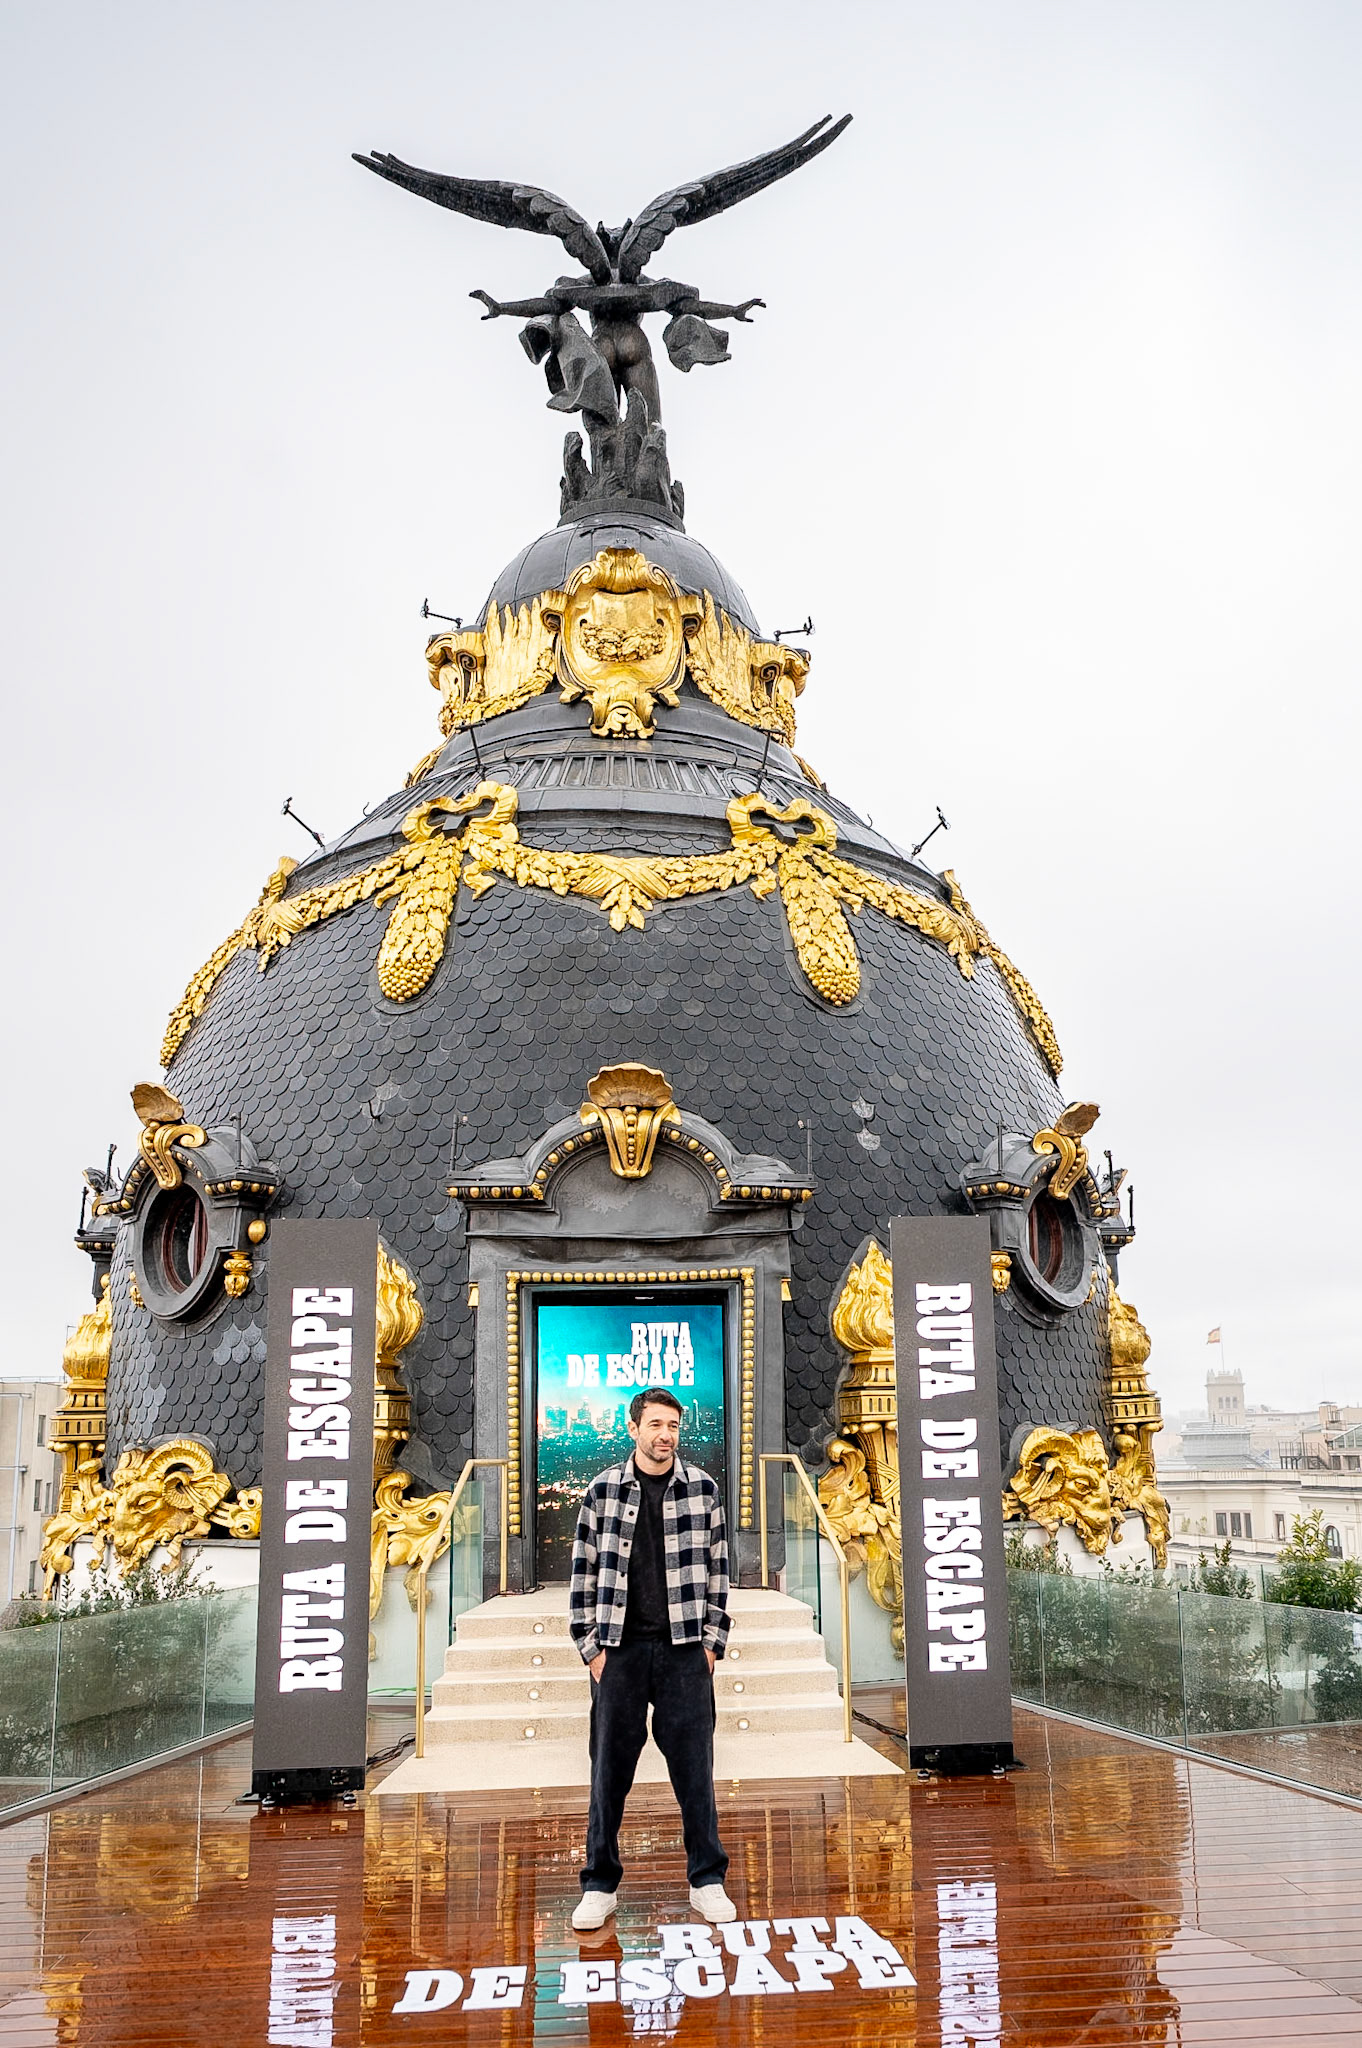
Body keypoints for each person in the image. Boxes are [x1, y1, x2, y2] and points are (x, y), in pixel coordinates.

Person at [568, 1386, 735, 1929]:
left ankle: (707, 1879)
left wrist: (712, 1644)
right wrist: (591, 1649)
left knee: (695, 1771)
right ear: (634, 1428)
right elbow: (583, 1575)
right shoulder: (601, 1493)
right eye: (656, 1424)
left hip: (685, 1650)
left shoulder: (704, 1490)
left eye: (674, 1426)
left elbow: (718, 1574)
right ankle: (599, 1883)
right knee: (608, 1772)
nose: (666, 1435)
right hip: (618, 1651)